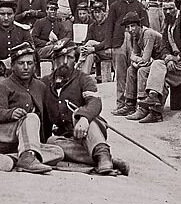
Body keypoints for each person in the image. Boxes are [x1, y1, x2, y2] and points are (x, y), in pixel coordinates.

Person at [41, 40, 127, 175]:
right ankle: (104, 160)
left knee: (83, 116)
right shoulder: (45, 83)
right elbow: (44, 117)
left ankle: (102, 154)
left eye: (69, 58)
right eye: (60, 58)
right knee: (51, 142)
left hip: (90, 133)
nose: (64, 62)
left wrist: (84, 118)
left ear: (75, 61)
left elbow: (95, 102)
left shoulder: (84, 79)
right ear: (53, 60)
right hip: (68, 139)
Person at [0, 42, 59, 173]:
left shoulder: (40, 86)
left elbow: (46, 117)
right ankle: (26, 159)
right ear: (12, 66)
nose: (26, 67)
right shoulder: (3, 85)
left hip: (23, 143)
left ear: (35, 66)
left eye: (30, 63)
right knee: (31, 117)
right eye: (21, 63)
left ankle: (11, 158)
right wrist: (10, 113)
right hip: (2, 138)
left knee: (58, 152)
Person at [121, 11, 165, 121]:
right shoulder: (135, 36)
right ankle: (130, 104)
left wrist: (136, 61)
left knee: (142, 70)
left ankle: (143, 107)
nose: (130, 30)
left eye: (133, 26)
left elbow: (145, 60)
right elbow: (133, 55)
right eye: (128, 27)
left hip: (162, 63)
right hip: (154, 62)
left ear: (139, 25)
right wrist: (136, 61)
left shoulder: (148, 33)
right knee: (131, 69)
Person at [77, 1, 126, 87]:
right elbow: (87, 39)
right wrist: (84, 47)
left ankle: (79, 64)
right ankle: (82, 80)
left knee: (91, 45)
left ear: (104, 13)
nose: (97, 15)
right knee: (89, 55)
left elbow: (108, 41)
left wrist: (93, 48)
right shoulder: (92, 26)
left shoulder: (110, 24)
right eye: (95, 12)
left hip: (109, 51)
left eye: (99, 12)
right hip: (97, 52)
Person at [31, 0, 72, 65]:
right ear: (47, 11)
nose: (53, 12)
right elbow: (34, 38)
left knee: (64, 50)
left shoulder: (59, 24)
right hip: (41, 50)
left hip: (56, 49)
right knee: (56, 49)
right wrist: (46, 43)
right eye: (51, 9)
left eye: (55, 10)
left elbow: (62, 39)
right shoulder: (40, 22)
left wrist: (59, 42)